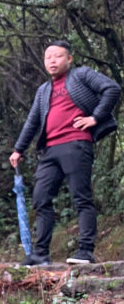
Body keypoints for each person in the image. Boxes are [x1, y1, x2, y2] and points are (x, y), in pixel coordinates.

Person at [9, 40, 121, 265]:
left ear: (69, 59)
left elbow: (112, 88)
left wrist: (95, 117)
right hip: (50, 150)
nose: (52, 61)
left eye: (58, 56)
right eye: (48, 57)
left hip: (77, 144)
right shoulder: (44, 90)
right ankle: (40, 254)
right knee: (40, 199)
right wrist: (18, 149)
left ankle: (85, 251)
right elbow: (33, 121)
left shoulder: (81, 75)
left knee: (81, 197)